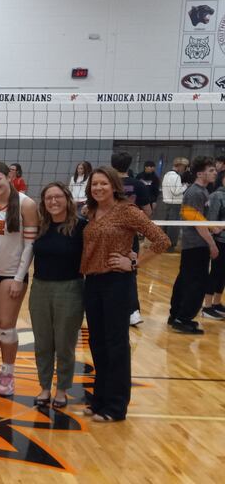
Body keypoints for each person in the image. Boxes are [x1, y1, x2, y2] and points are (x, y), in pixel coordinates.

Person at [81, 166, 169, 421]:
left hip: (117, 283)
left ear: (114, 186)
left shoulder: (127, 211)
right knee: (97, 343)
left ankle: (116, 406)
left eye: (103, 184)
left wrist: (134, 262)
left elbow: (162, 241)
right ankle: (99, 400)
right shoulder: (91, 212)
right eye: (94, 184)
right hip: (93, 283)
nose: (98, 188)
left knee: (116, 343)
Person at [0, 161, 39, 396]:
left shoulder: (26, 204)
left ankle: (8, 375)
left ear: (9, 177)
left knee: (7, 328)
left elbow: (30, 244)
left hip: (13, 273)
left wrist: (19, 277)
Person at [29, 182, 86, 409]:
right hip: (40, 288)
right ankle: (44, 387)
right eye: (48, 198)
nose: (53, 201)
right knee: (42, 342)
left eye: (58, 197)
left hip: (70, 289)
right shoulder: (40, 226)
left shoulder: (81, 227)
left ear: (67, 199)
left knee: (64, 344)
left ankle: (61, 389)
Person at [169, 156, 219, 334]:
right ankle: (182, 318)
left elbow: (197, 218)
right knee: (196, 282)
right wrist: (212, 244)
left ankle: (175, 315)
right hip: (195, 245)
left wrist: (212, 227)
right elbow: (196, 223)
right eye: (211, 170)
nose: (215, 173)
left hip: (195, 244)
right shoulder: (195, 192)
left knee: (185, 279)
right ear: (200, 173)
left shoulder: (202, 191)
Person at [111, 151, 152, 327]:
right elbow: (148, 211)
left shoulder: (105, 184)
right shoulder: (139, 185)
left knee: (104, 270)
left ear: (112, 164)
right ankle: (132, 312)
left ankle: (110, 309)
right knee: (129, 272)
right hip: (129, 235)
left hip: (107, 234)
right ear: (130, 165)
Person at [204, 169, 225, 319]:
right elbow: (212, 223)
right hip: (220, 241)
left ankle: (217, 303)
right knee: (216, 272)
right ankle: (207, 306)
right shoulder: (217, 196)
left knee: (223, 274)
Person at [161, 157, 189, 251]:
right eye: (184, 167)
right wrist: (185, 186)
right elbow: (176, 191)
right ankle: (171, 246)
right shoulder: (176, 176)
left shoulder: (166, 175)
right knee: (173, 226)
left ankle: (164, 244)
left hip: (166, 202)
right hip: (175, 203)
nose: (184, 169)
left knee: (166, 224)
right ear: (180, 166)